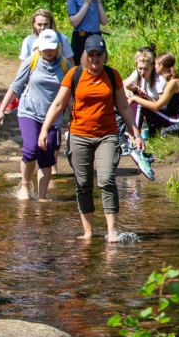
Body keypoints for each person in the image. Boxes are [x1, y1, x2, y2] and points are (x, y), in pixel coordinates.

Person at [38, 35, 144, 242]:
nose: (95, 58)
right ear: (85, 55)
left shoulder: (112, 75)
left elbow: (123, 106)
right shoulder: (74, 74)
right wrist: (44, 129)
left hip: (107, 135)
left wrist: (136, 133)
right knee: (83, 183)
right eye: (92, 54)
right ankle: (88, 232)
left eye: (99, 54)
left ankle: (112, 232)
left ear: (104, 55)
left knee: (106, 180)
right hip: (79, 136)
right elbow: (58, 104)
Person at [0, 29, 70, 200]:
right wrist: (1, 111)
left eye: (52, 47)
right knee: (31, 148)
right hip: (29, 112)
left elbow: (72, 93)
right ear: (39, 47)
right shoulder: (32, 61)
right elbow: (15, 86)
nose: (49, 51)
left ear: (58, 46)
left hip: (52, 117)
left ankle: (42, 197)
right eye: (45, 48)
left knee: (47, 154)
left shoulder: (65, 66)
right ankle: (25, 186)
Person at [127, 52, 179, 135]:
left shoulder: (173, 82)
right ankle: (133, 134)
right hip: (174, 117)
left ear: (161, 66)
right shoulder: (169, 80)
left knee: (139, 103)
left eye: (155, 64)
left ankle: (133, 136)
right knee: (141, 100)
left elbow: (156, 107)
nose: (154, 67)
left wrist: (134, 98)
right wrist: (147, 97)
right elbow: (160, 105)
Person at [67, 0, 108, 67]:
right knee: (79, 65)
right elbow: (74, 22)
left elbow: (104, 21)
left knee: (97, 64)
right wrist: (86, 4)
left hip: (96, 35)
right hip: (81, 36)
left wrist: (98, 3)